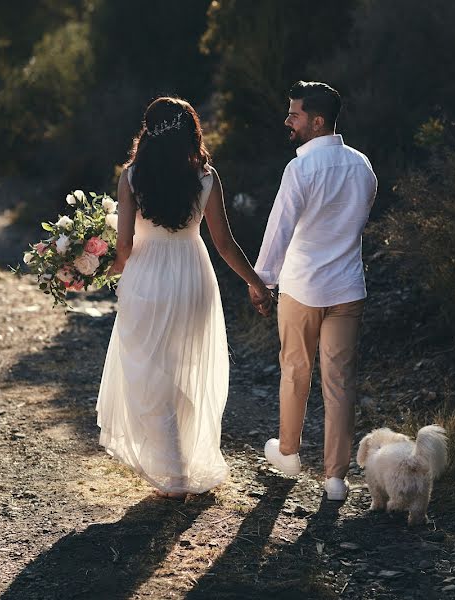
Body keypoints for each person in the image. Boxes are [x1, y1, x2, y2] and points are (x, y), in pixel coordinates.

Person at [96, 97, 272, 500]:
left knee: (153, 374)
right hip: (193, 277)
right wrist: (255, 283)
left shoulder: (132, 178)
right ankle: (185, 465)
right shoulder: (207, 178)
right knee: (188, 370)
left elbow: (123, 248)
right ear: (191, 132)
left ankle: (173, 474)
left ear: (148, 132)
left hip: (146, 278)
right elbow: (225, 244)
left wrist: (90, 272)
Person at [253, 81, 377, 502]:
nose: (288, 121)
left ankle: (288, 455)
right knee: (340, 382)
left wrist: (263, 281)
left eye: (295, 114)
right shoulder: (362, 166)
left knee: (295, 371)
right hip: (347, 287)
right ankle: (336, 479)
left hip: (303, 286)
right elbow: (356, 222)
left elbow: (279, 229)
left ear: (317, 121)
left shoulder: (300, 169)